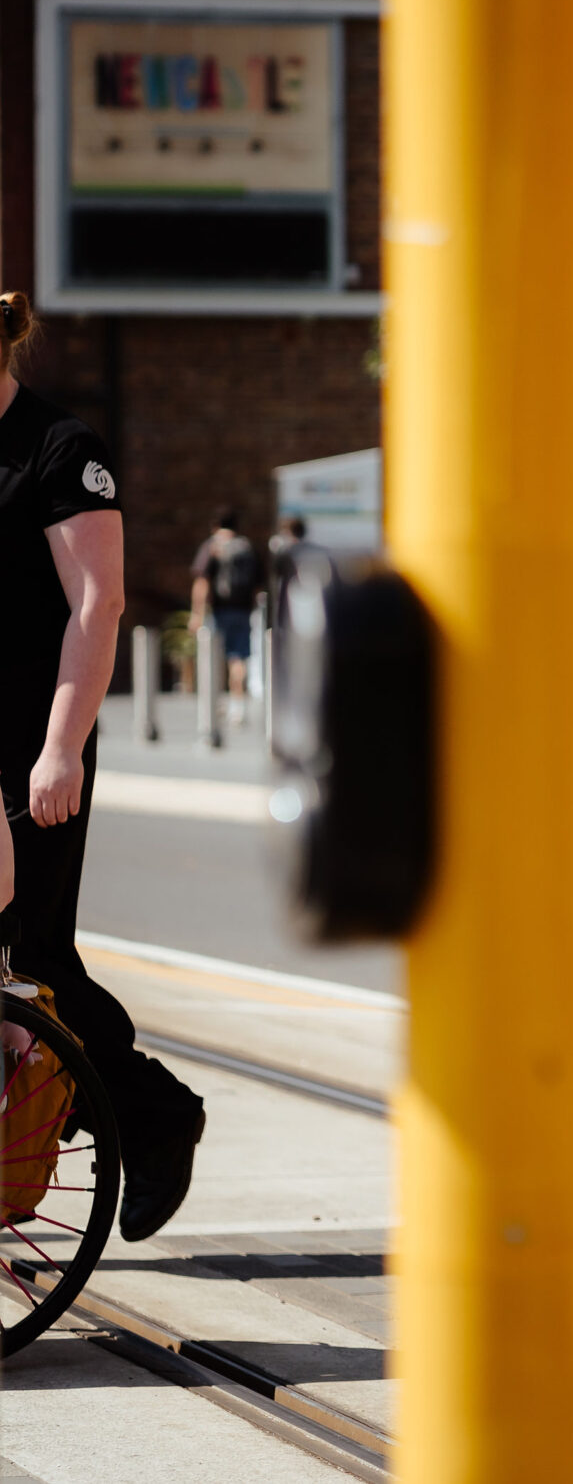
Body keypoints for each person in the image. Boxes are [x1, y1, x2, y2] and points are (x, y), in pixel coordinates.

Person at [0, 289, 208, 1241]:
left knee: (31, 957)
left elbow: (100, 605)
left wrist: (60, 747)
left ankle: (150, 1111)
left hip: (31, 743)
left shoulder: (57, 449)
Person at [189, 507, 261, 723]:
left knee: (214, 656)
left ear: (215, 525)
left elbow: (202, 581)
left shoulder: (212, 546)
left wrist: (196, 613)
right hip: (244, 610)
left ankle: (217, 701)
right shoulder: (247, 547)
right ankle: (238, 706)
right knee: (238, 657)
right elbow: (258, 583)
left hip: (220, 610)